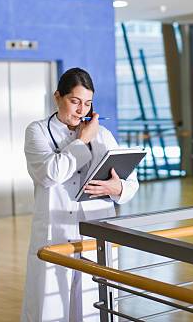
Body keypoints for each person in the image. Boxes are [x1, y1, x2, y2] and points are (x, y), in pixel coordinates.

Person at [21, 67, 139, 322]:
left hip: (95, 229)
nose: (81, 110)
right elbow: (49, 175)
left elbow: (130, 182)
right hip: (55, 231)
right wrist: (82, 141)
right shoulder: (37, 131)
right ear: (57, 97)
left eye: (87, 103)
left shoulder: (103, 135)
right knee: (51, 305)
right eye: (74, 101)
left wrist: (117, 188)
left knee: (93, 304)